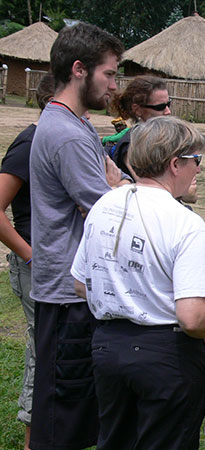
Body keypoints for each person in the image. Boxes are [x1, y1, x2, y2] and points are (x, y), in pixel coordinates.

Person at [70, 116, 205, 449]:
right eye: (195, 160)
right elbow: (192, 317)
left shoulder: (104, 205)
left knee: (115, 440)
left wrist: (126, 298)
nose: (199, 170)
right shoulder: (186, 223)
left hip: (108, 349)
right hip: (165, 355)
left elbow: (80, 283)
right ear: (175, 163)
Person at [28, 23, 127, 450]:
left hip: (79, 291)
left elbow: (114, 180)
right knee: (61, 415)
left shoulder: (79, 125)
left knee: (82, 409)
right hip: (66, 296)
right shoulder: (68, 135)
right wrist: (119, 190)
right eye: (110, 73)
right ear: (80, 70)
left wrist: (117, 184)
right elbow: (108, 210)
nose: (115, 85)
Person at [0, 73, 54, 450]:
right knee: (44, 354)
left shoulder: (61, 140)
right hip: (37, 268)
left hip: (60, 269)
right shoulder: (30, 142)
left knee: (59, 353)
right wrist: (28, 253)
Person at [107, 75, 172, 177]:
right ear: (138, 110)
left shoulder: (158, 138)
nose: (168, 111)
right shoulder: (132, 145)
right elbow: (146, 184)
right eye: (160, 107)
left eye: (168, 104)